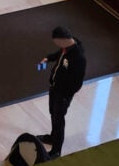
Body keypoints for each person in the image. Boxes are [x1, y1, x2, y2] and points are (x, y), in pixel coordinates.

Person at [37, 26, 86, 158]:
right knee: (52, 112)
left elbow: (77, 83)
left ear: (62, 40)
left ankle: (56, 150)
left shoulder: (78, 58)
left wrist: (65, 95)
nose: (56, 45)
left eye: (56, 42)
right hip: (54, 88)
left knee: (59, 119)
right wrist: (48, 58)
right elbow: (59, 55)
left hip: (63, 94)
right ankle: (52, 137)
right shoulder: (66, 48)